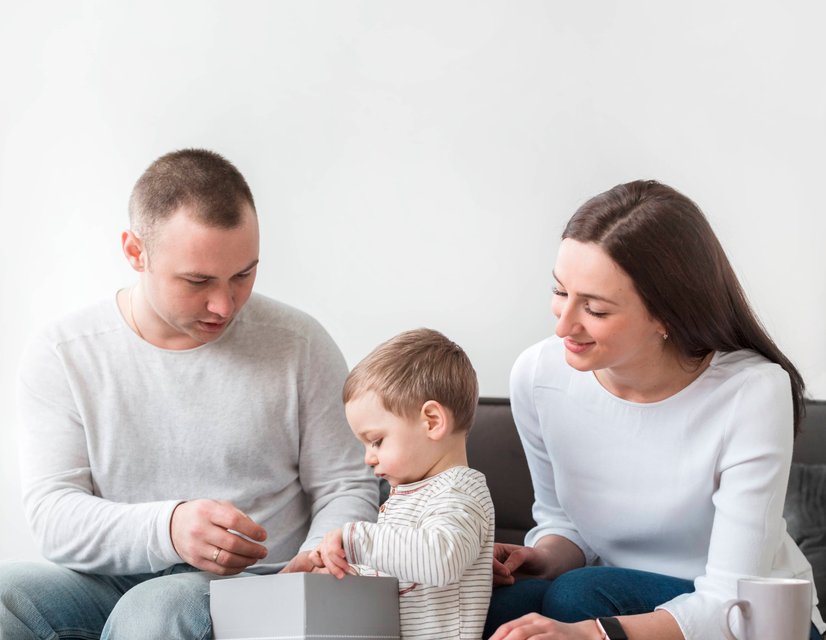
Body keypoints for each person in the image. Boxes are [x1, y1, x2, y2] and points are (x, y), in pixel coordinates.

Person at [0, 149, 378, 639]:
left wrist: (315, 564)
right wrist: (170, 528)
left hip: (256, 584)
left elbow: (346, 485)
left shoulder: (299, 344)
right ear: (136, 252)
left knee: (157, 608)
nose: (224, 305)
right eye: (197, 281)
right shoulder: (63, 353)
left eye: (243, 274)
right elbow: (55, 517)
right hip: (106, 584)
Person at [486, 180, 825, 640]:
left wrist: (593, 633)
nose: (563, 325)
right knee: (502, 603)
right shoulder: (538, 375)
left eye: (596, 309)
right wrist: (541, 558)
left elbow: (730, 599)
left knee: (578, 595)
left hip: (750, 621)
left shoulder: (752, 391)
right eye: (560, 291)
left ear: (667, 314)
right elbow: (564, 522)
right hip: (609, 595)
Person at [313, 328, 496, 639]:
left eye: (376, 441)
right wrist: (350, 570)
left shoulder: (459, 490)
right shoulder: (409, 494)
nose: (368, 458)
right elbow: (402, 578)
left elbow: (441, 560)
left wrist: (355, 539)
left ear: (432, 421)